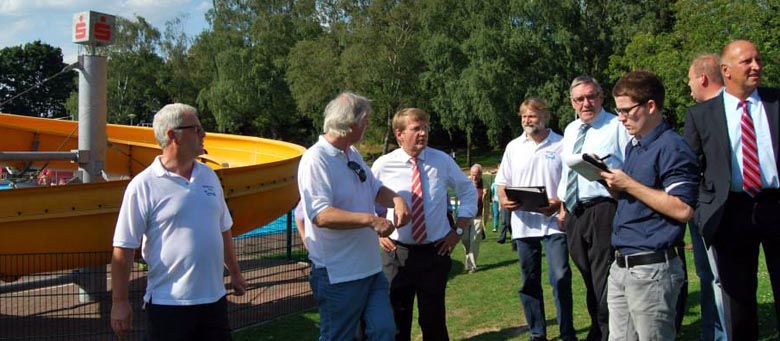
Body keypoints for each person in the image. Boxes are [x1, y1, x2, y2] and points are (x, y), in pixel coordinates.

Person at [110, 103, 247, 340]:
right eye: (197, 128)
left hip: (214, 302)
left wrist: (235, 272)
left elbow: (223, 228)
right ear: (173, 135)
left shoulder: (208, 176)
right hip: (169, 305)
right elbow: (123, 249)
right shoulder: (143, 186)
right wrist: (119, 302)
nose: (204, 134)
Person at [684, 39, 780, 340]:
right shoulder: (701, 115)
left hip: (775, 206)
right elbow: (690, 168)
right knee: (737, 302)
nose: (756, 66)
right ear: (725, 70)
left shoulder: (775, 102)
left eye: (758, 60)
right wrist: (703, 211)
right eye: (747, 62)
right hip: (731, 211)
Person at [297, 91, 410, 341]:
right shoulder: (316, 159)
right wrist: (371, 220)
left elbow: (375, 188)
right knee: (339, 336)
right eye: (366, 121)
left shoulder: (351, 153)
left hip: (370, 269)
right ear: (351, 124)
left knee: (384, 331)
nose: (367, 126)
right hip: (339, 274)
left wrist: (397, 200)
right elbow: (321, 215)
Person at [603, 70, 699, 340]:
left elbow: (683, 209)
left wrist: (628, 184)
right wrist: (616, 188)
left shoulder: (673, 147)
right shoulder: (635, 145)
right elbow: (640, 198)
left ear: (651, 106)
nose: (620, 118)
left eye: (625, 111)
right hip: (622, 264)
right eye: (618, 110)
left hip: (652, 269)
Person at [372, 107, 476, 340]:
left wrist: (458, 230)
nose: (423, 133)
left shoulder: (442, 161)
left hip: (434, 252)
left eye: (425, 128)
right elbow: (365, 199)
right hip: (396, 254)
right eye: (416, 128)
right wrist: (377, 232)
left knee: (434, 321)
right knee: (396, 320)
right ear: (399, 134)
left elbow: (468, 192)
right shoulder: (383, 165)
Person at [495, 97, 575, 341]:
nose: (527, 121)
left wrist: (558, 202)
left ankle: (567, 332)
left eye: (532, 115)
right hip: (523, 224)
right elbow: (501, 182)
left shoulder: (562, 144)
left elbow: (571, 181)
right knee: (528, 281)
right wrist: (504, 199)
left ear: (545, 116)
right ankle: (537, 332)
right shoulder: (513, 146)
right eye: (523, 116)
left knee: (560, 278)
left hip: (554, 223)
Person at [558, 76, 630, 341]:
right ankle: (598, 326)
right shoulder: (570, 129)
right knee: (587, 276)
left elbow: (628, 168)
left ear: (601, 97)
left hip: (604, 208)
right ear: (572, 102)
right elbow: (567, 172)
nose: (586, 103)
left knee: (603, 276)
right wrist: (563, 208)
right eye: (580, 99)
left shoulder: (616, 126)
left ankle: (607, 331)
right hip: (576, 212)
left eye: (591, 97)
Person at [686, 53, 726, 341]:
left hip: (709, 208)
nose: (689, 87)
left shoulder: (698, 115)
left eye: (689, 80)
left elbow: (690, 163)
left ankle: (715, 332)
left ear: (702, 78)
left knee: (712, 274)